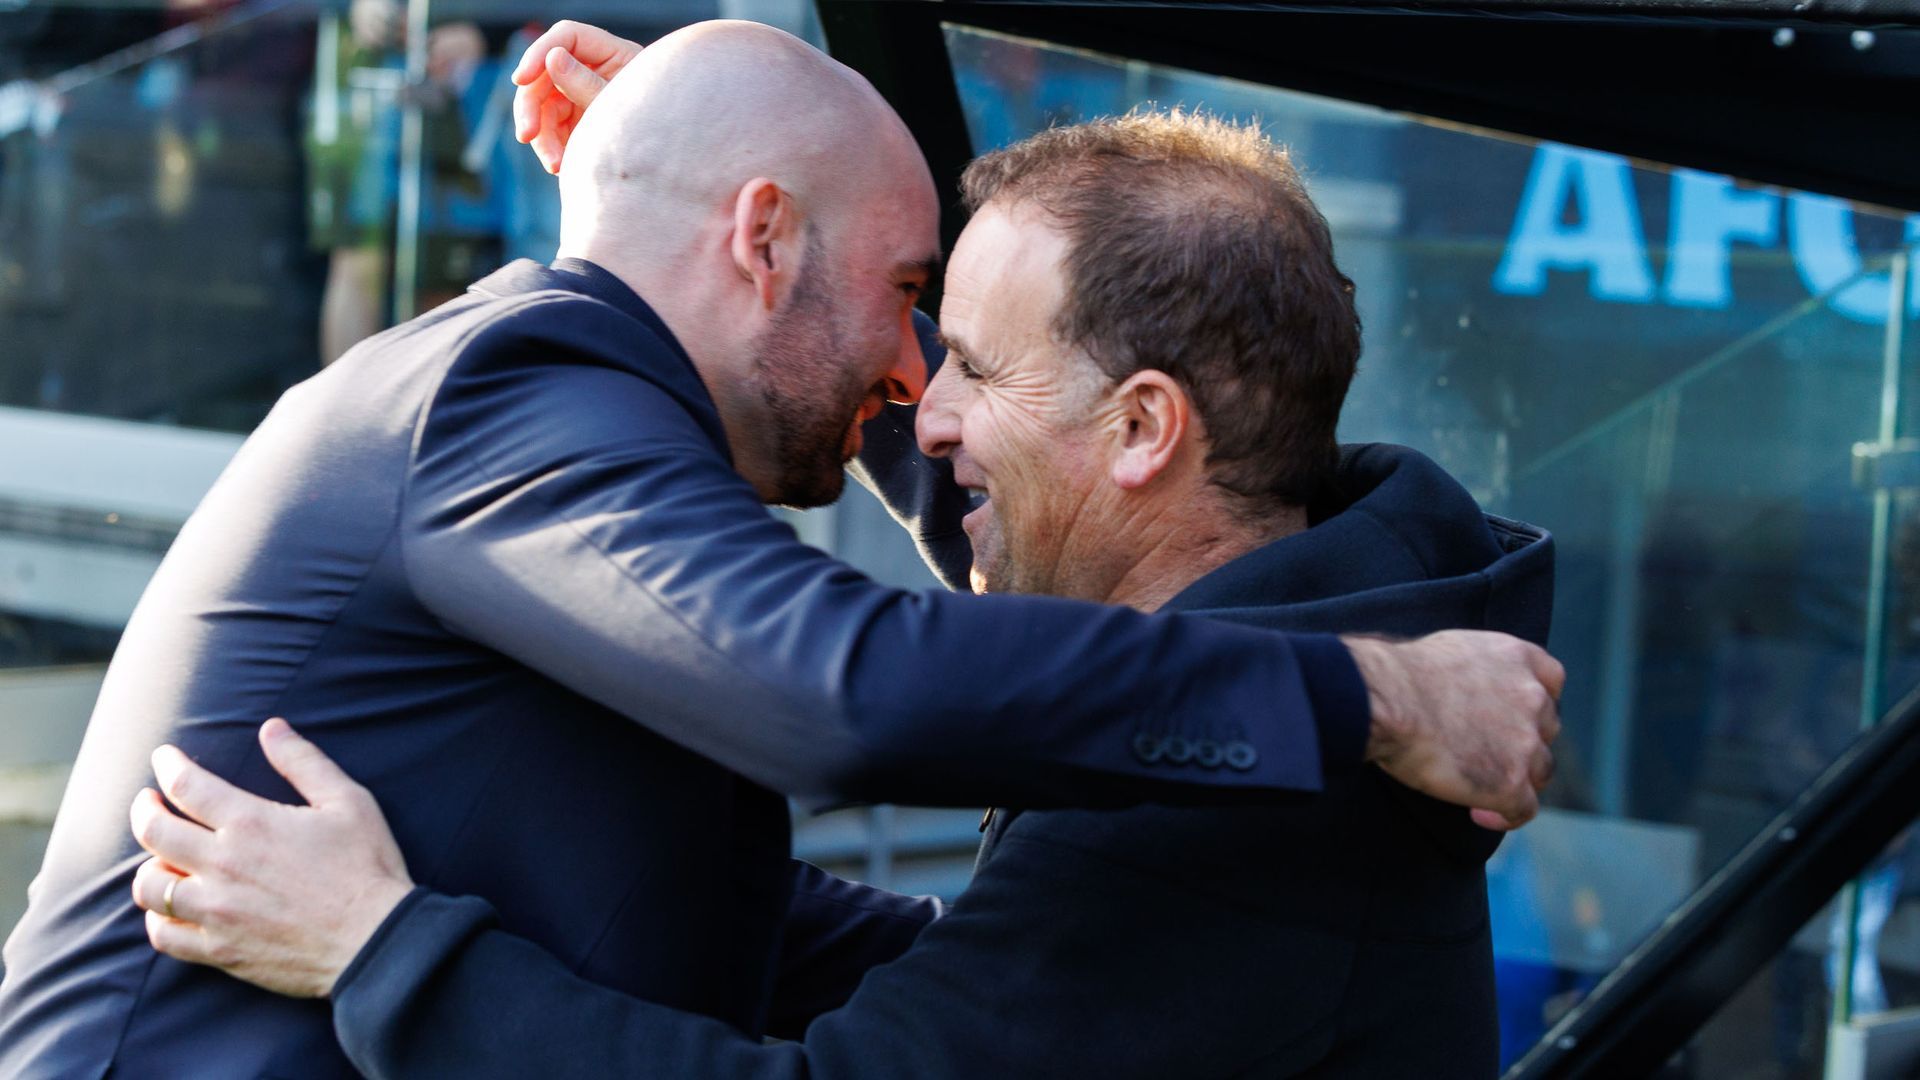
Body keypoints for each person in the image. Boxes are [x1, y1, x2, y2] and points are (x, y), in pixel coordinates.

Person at [0, 20, 1557, 1079]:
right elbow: (858, 695)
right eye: (906, 304)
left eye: (957, 352)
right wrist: (1372, 698)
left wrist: (384, 950)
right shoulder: (520, 389)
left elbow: (855, 703)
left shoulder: (1237, 763)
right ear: (761, 239)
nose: (915, 398)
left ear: (1146, 429)